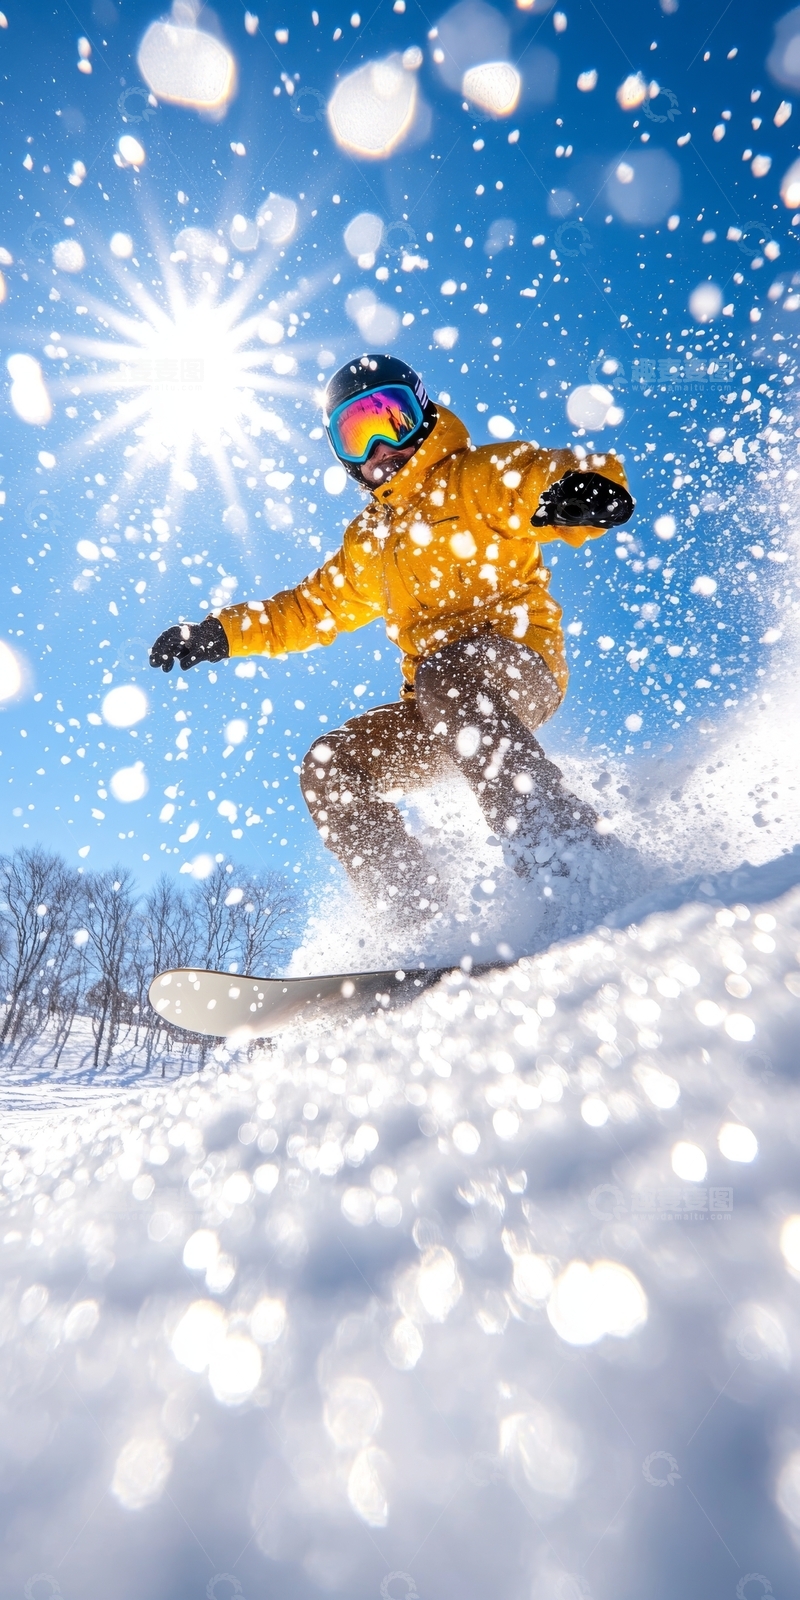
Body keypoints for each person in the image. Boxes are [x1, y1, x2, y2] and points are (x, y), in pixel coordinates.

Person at [151, 353, 633, 926]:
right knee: (331, 765)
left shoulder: (476, 478)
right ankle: (413, 919)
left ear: (421, 413)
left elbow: (537, 478)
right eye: (358, 435)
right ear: (344, 456)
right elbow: (308, 608)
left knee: (447, 675)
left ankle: (562, 854)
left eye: (392, 420)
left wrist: (584, 490)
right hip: (438, 705)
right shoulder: (370, 540)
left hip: (516, 666)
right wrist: (221, 632)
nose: (381, 448)